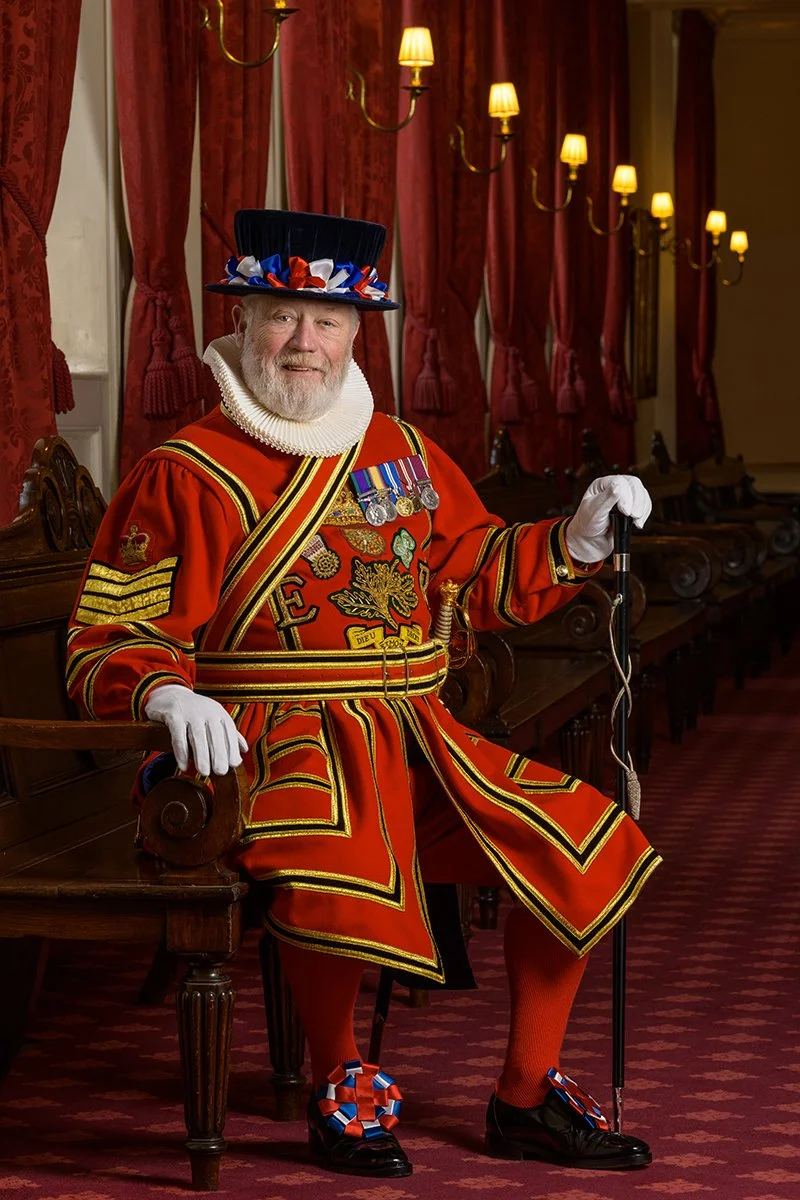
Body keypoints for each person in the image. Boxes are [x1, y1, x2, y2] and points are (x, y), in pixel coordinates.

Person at [67, 209, 660, 1180]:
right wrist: (164, 697)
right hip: (260, 743)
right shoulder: (182, 471)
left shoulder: (401, 451)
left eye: (329, 322)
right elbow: (111, 634)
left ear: (357, 334)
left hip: (413, 733)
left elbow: (473, 566)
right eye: (284, 317)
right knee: (334, 859)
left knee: (577, 845)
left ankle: (524, 1091)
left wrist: (575, 537)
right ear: (245, 320)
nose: (305, 342)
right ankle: (343, 1081)